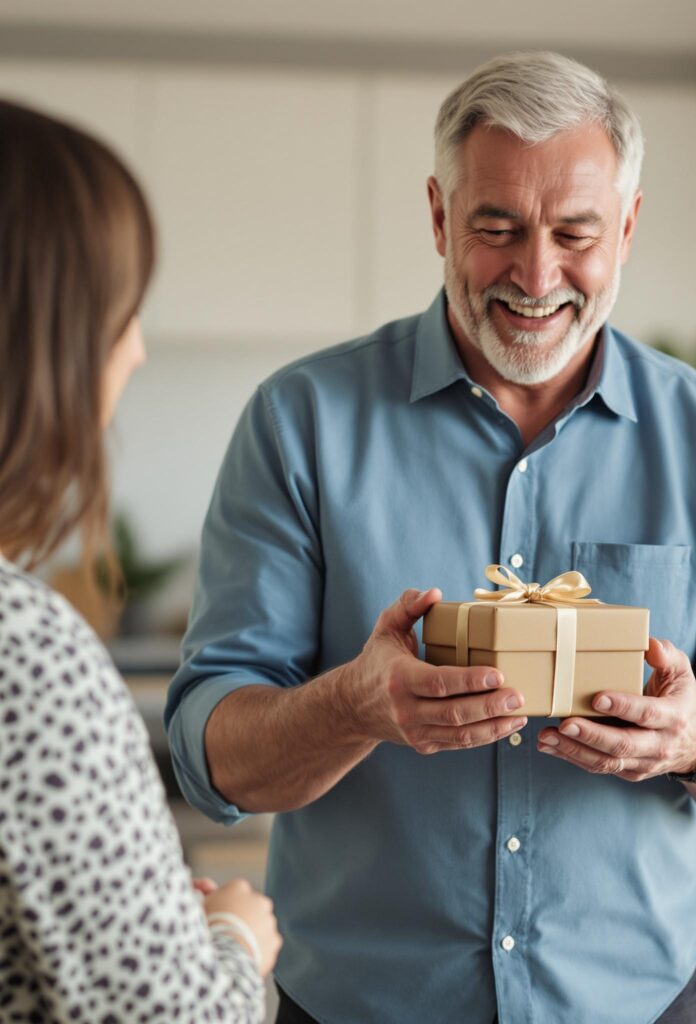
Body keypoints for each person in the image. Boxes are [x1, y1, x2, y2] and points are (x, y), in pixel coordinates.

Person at [165, 52, 696, 1024]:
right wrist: (355, 705)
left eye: (574, 232)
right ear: (438, 217)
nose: (536, 273)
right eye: (497, 228)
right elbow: (208, 755)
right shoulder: (300, 423)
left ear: (628, 229)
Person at [0, 98, 282, 1021]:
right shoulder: (28, 658)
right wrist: (234, 938)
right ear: (45, 343)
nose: (136, 347)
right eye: (121, 311)